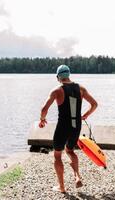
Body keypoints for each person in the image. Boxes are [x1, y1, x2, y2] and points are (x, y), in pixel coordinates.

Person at [39, 65, 98, 193]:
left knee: (57, 155)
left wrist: (42, 120)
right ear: (69, 75)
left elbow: (44, 109)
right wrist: (86, 115)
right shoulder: (81, 89)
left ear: (58, 77)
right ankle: (77, 176)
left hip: (63, 127)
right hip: (76, 125)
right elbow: (94, 104)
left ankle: (62, 187)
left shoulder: (57, 90)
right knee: (70, 150)